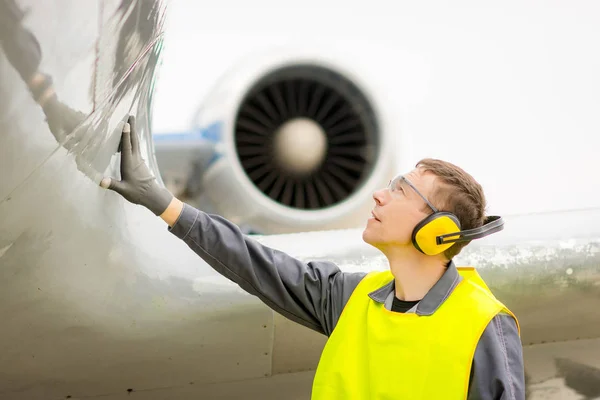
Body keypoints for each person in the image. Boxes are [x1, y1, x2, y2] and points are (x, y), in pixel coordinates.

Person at [101, 116, 525, 400]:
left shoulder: (484, 325)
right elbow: (253, 262)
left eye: (401, 190)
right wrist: (165, 203)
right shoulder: (350, 298)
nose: (380, 193)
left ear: (437, 232)